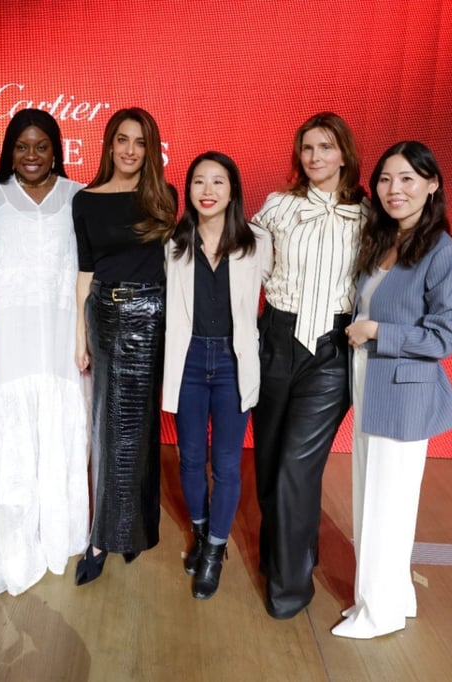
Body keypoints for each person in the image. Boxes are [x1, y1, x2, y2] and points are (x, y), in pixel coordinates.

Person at [332, 141, 452, 638]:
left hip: (405, 394)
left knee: (386, 507)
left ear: (432, 184)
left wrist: (377, 333)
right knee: (371, 497)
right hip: (371, 384)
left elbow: (447, 334)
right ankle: (392, 597)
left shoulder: (443, 251)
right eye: (386, 179)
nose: (395, 190)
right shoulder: (384, 239)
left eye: (408, 179)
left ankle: (380, 612)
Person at [0, 108, 89, 595]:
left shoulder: (78, 197)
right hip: (10, 336)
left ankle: (55, 528)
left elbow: (85, 276)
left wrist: (84, 338)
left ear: (56, 149)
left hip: (60, 337)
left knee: (58, 427)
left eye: (40, 146)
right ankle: (15, 533)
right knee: (10, 431)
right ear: (8, 151)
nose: (31, 155)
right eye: (21, 146)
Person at [251, 112, 368, 619]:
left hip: (332, 350)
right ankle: (281, 554)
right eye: (307, 149)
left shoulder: (369, 215)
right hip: (275, 338)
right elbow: (243, 259)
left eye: (325, 147)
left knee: (299, 467)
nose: (315, 157)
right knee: (269, 460)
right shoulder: (279, 206)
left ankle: (289, 589)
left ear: (344, 153)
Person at [73, 107, 176, 585]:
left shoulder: (165, 197)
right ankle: (107, 534)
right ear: (109, 144)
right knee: (108, 429)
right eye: (122, 140)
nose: (130, 150)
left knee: (137, 429)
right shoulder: (86, 200)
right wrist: (81, 335)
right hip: (105, 314)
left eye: (140, 142)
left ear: (150, 149)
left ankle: (127, 530)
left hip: (152, 317)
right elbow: (85, 271)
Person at [163, 152, 270, 599]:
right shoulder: (173, 242)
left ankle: (213, 552)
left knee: (226, 464)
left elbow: (284, 290)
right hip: (187, 362)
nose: (207, 191)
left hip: (232, 361)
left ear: (233, 191)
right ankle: (203, 531)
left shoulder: (257, 241)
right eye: (199, 182)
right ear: (188, 190)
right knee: (190, 458)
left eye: (218, 182)